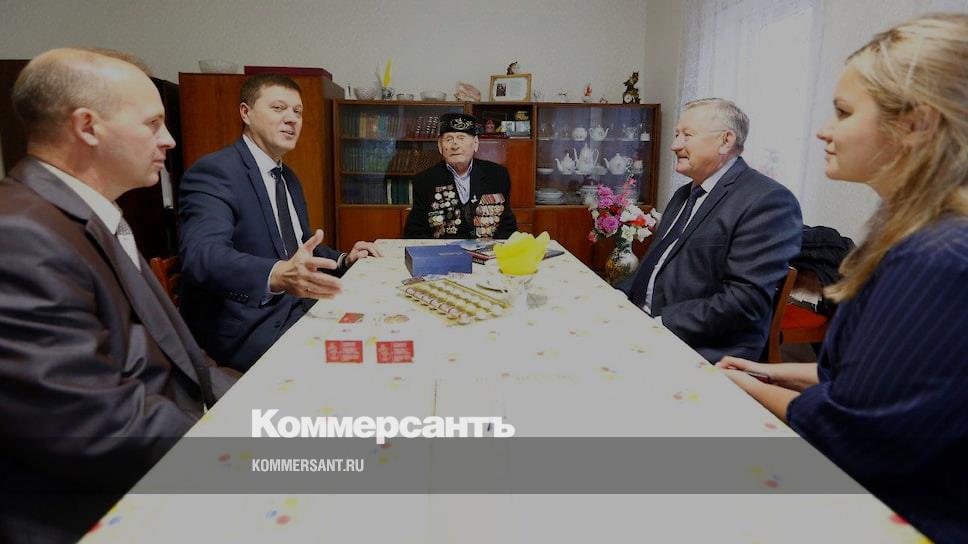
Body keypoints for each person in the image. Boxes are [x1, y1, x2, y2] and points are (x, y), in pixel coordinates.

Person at [717, 14, 968, 542]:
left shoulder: (937, 256)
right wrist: (772, 372)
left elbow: (856, 434)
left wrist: (744, 386)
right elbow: (888, 385)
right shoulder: (918, 233)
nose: (823, 130)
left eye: (844, 112)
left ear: (916, 125)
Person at [0, 48, 239, 544]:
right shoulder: (20, 233)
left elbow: (179, 360)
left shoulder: (83, 215)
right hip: (100, 507)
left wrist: (263, 405)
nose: (169, 140)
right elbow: (88, 421)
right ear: (88, 127)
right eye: (153, 123)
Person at [178, 74, 380, 372]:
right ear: (245, 112)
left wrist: (344, 259)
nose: (291, 119)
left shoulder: (288, 178)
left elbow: (299, 248)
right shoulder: (216, 172)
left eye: (297, 111)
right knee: (358, 364)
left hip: (298, 308)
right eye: (278, 108)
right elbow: (202, 256)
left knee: (382, 329)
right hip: (249, 326)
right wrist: (276, 274)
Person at [618, 98, 802, 362]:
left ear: (725, 141)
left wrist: (657, 325)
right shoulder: (685, 194)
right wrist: (619, 295)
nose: (674, 145)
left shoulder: (767, 201)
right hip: (646, 323)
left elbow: (744, 302)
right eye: (677, 135)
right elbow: (655, 263)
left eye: (687, 135)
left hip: (701, 348)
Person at [404, 112, 518, 239]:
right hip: (444, 250)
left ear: (475, 143)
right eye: (449, 139)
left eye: (461, 138)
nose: (455, 145)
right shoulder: (424, 181)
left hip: (489, 250)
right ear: (440, 146)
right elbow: (415, 233)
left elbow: (507, 229)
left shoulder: (497, 175)